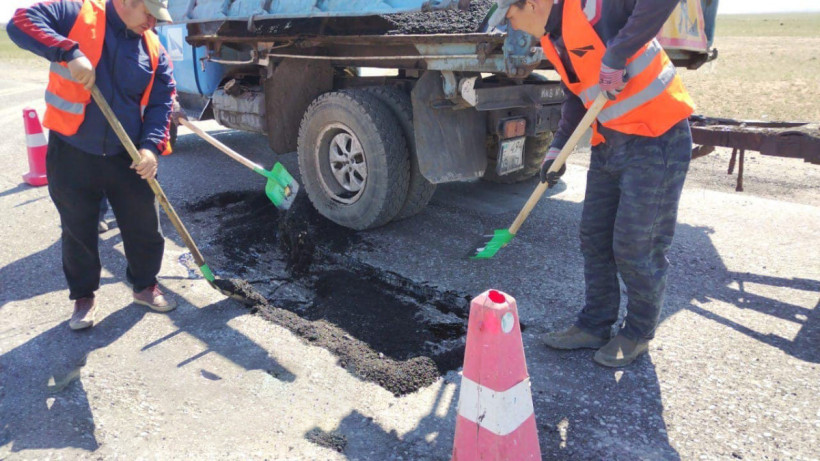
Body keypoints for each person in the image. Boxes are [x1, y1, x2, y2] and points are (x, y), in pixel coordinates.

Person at [487, 0, 694, 366]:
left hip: (656, 138)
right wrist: (555, 151)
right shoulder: (554, 38)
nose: (511, 27)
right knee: (594, 238)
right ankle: (594, 325)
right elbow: (578, 98)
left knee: (636, 246)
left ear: (532, 5)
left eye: (511, 17)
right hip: (609, 143)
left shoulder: (593, 7)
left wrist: (618, 52)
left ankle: (637, 333)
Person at [7, 0, 178, 330]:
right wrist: (68, 52)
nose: (153, 23)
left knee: (144, 226)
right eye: (150, 14)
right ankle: (83, 297)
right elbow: (20, 22)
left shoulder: (153, 48)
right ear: (130, 2)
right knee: (78, 230)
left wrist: (150, 149)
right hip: (72, 150)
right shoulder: (76, 13)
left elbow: (162, 101)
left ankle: (144, 285)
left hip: (127, 156)